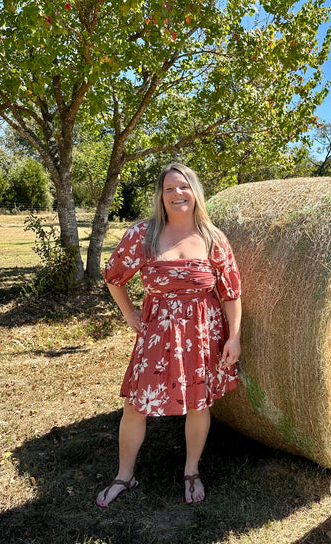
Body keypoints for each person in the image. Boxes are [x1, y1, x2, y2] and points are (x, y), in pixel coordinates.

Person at [96, 163, 241, 506]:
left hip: (203, 333)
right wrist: (129, 312)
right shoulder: (142, 235)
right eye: (169, 189)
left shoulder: (212, 238)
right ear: (161, 197)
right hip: (157, 334)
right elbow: (114, 276)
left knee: (198, 403)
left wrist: (234, 337)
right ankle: (124, 475)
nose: (178, 194)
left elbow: (231, 293)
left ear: (195, 193)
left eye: (184, 187)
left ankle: (191, 470)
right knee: (136, 405)